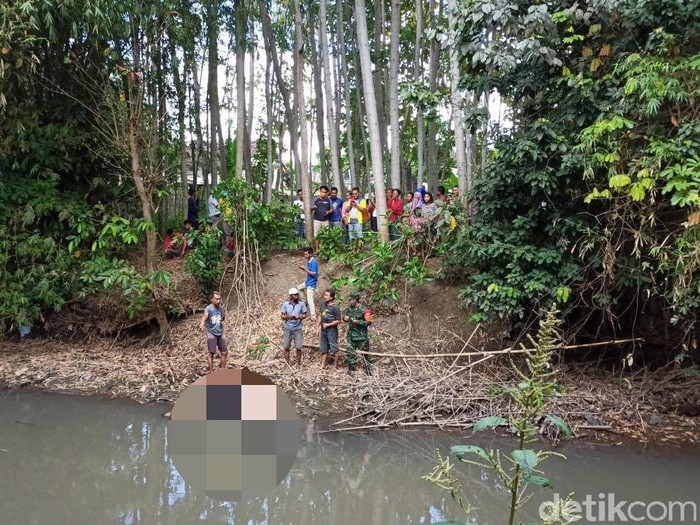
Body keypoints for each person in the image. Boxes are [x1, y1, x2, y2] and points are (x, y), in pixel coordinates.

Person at [342, 291, 372, 375]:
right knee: (350, 353)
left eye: (352, 300)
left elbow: (369, 322)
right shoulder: (348, 309)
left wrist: (358, 322)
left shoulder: (365, 310)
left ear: (356, 300)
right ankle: (351, 370)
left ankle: (368, 370)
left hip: (361, 336)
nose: (350, 301)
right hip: (351, 336)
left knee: (365, 353)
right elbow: (344, 317)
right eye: (349, 300)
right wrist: (345, 318)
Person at [200, 291, 228, 372]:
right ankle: (211, 372)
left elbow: (223, 317)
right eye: (216, 299)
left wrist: (222, 318)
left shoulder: (220, 308)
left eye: (219, 299)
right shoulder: (208, 308)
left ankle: (223, 370)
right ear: (212, 299)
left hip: (220, 332)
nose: (218, 301)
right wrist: (202, 322)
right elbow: (205, 316)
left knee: (224, 352)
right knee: (211, 353)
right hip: (211, 333)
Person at [281, 287, 307, 365]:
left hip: (298, 327)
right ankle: (287, 363)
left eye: (297, 294)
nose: (296, 296)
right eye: (294, 295)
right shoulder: (285, 304)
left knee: (298, 346)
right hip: (288, 327)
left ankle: (298, 364)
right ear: (290, 296)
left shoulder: (301, 304)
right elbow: (282, 316)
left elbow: (305, 314)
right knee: (286, 346)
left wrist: (299, 316)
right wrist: (288, 316)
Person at [318, 289, 341, 369]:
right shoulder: (323, 305)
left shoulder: (335, 307)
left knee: (334, 348)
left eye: (327, 295)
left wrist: (328, 325)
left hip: (332, 331)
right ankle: (323, 365)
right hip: (323, 330)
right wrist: (317, 326)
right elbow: (320, 315)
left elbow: (338, 320)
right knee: (324, 348)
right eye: (324, 295)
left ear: (331, 297)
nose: (325, 297)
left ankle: (335, 366)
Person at [297, 247, 319, 321]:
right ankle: (304, 301)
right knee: (299, 288)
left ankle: (313, 317)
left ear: (310, 254)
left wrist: (305, 269)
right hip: (308, 282)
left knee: (310, 301)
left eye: (306, 254)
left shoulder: (313, 262)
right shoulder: (309, 261)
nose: (305, 256)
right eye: (304, 254)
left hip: (311, 284)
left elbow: (314, 273)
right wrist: (303, 268)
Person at [311, 186, 333, 250]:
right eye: (322, 191)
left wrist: (328, 212)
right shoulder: (315, 199)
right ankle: (317, 249)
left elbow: (332, 209)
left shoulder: (329, 200)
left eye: (324, 192)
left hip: (325, 220)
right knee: (317, 235)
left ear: (327, 193)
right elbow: (310, 208)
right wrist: (313, 208)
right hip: (317, 220)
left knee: (325, 235)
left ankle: (323, 249)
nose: (323, 193)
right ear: (320, 191)